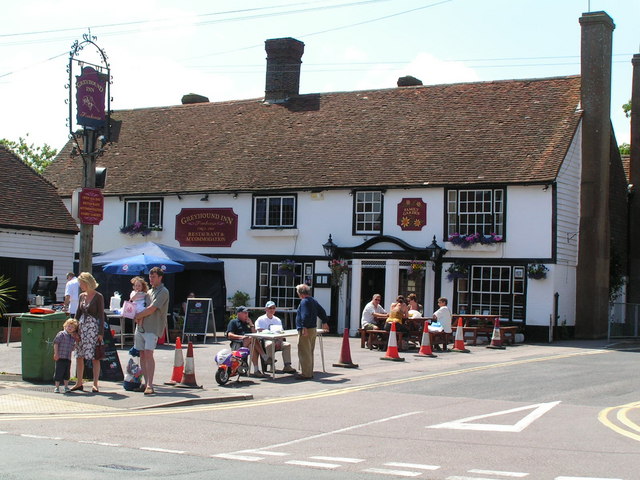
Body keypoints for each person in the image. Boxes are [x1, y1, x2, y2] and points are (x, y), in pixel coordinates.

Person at [133, 267, 170, 395]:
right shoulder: (148, 291)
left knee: (149, 354)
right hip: (141, 327)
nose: (151, 279)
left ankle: (150, 385)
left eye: (153, 277)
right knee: (142, 354)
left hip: (152, 327)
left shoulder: (163, 291)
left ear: (160, 277)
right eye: (150, 277)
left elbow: (152, 308)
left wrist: (137, 316)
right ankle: (145, 382)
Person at [70, 272, 105, 393]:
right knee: (79, 356)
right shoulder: (81, 296)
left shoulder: (98, 296)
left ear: (87, 283)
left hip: (92, 328)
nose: (80, 285)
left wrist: (101, 333)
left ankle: (95, 383)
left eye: (81, 283)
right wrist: (74, 329)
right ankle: (79, 382)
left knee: (95, 356)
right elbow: (77, 314)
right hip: (81, 327)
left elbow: (101, 315)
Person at [295, 284, 329, 380]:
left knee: (304, 351)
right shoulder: (313, 300)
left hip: (306, 329)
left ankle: (306, 374)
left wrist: (304, 327)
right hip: (313, 329)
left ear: (300, 293)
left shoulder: (304, 301)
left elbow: (305, 315)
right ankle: (309, 372)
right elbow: (322, 311)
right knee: (310, 351)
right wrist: (325, 321)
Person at [225, 306, 268, 378]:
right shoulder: (233, 322)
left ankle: (256, 370)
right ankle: (264, 357)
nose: (247, 314)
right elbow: (229, 335)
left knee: (252, 346)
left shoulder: (247, 323)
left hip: (248, 343)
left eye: (247, 313)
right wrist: (242, 337)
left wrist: (251, 324)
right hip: (238, 343)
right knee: (252, 338)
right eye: (244, 313)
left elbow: (255, 334)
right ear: (239, 314)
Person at [255, 301, 296, 374]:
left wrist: (279, 341)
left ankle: (287, 366)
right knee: (270, 344)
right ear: (266, 309)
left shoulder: (277, 320)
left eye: (273, 308)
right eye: (270, 308)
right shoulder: (260, 319)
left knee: (287, 345)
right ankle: (272, 365)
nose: (272, 310)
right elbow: (259, 330)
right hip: (266, 340)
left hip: (277, 339)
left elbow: (281, 332)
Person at [53, 318, 79, 393]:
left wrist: (76, 343)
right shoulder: (61, 334)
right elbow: (56, 343)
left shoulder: (72, 338)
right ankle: (57, 387)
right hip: (60, 356)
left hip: (67, 357)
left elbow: (72, 348)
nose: (70, 328)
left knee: (67, 373)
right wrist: (56, 353)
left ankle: (66, 386)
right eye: (69, 326)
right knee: (58, 372)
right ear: (65, 326)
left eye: (72, 327)